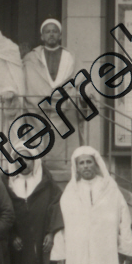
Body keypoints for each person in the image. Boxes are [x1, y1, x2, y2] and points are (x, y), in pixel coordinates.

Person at [23, 17, 83, 167]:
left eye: (54, 31)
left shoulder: (71, 57)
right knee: (39, 147)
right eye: (47, 32)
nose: (51, 34)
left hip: (64, 108)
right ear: (42, 36)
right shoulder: (31, 58)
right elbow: (28, 82)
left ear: (60, 35)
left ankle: (65, 167)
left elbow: (81, 80)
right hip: (38, 109)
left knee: (64, 150)